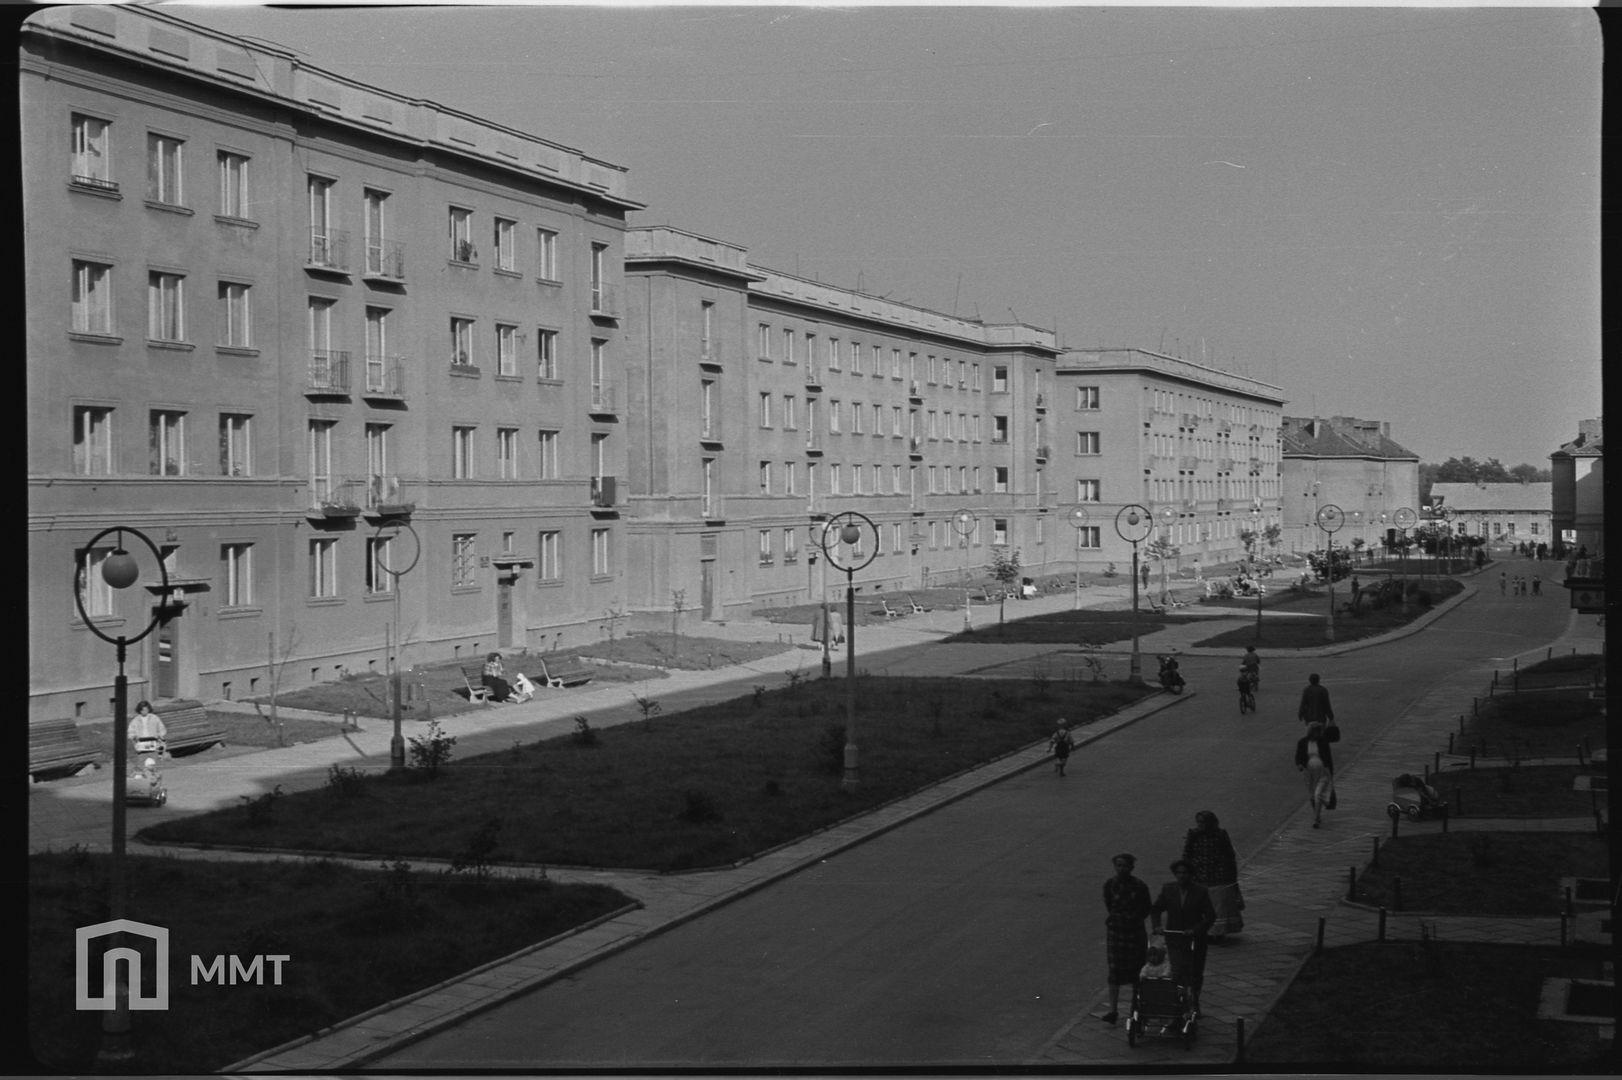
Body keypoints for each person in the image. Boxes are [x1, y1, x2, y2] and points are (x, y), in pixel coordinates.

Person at [1150, 860, 1217, 1009]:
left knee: (1195, 971)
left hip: (1195, 940)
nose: (1182, 876)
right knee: (1177, 970)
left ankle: (1194, 1001)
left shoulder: (1200, 891)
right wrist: (1157, 926)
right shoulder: (1168, 890)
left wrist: (1196, 929)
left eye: (1185, 873)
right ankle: (1178, 1001)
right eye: (1179, 873)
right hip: (1175, 938)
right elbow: (1156, 909)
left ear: (1191, 875)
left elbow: (1210, 916)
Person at [1101, 853, 1152, 1025]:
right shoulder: (1110, 884)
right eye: (1118, 865)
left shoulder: (1139, 886)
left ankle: (1135, 1008)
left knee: (1137, 970)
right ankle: (1112, 1010)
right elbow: (1109, 904)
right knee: (1114, 971)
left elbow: (1146, 908)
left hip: (1134, 932)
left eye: (1125, 866)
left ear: (1131, 867)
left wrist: (1132, 919)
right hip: (1116, 932)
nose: (1122, 869)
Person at [1182, 811, 1244, 937]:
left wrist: (1230, 873)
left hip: (1219, 875)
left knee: (1219, 905)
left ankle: (1217, 933)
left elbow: (1229, 854)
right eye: (1198, 822)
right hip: (1200, 874)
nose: (1200, 825)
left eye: (1203, 822)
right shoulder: (1194, 834)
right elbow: (1187, 853)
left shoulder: (1220, 834)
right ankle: (1203, 930)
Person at [1295, 719, 1341, 827]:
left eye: (1318, 731)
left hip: (1322, 772)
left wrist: (1330, 772)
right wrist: (1300, 765)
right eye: (1315, 731)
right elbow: (1298, 757)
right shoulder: (1303, 742)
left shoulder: (1323, 742)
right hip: (1309, 773)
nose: (1317, 734)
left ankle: (1316, 819)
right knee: (1313, 795)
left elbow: (1328, 758)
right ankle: (1318, 815)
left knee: (1318, 793)